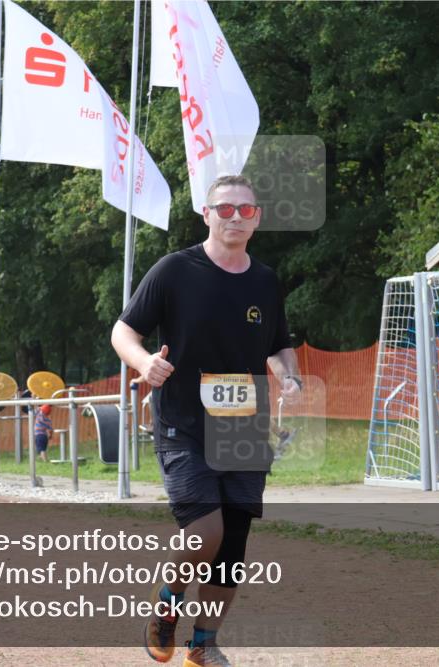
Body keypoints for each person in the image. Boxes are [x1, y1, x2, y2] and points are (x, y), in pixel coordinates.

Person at [112, 174, 302, 667]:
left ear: (257, 217)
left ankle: (203, 644)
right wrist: (142, 362)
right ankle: (166, 611)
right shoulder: (175, 270)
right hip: (183, 422)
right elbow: (123, 330)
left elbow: (280, 343)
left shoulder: (264, 280)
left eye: (245, 210)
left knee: (232, 543)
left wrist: (290, 377)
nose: (235, 217)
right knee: (205, 533)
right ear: (207, 213)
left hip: (241, 423)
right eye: (225, 209)